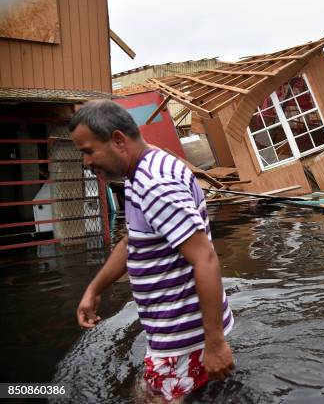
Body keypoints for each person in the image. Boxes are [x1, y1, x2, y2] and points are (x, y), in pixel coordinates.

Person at [71, 100, 234, 401]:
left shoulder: (154, 185)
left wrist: (215, 345)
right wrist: (95, 289)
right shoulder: (142, 170)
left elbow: (205, 258)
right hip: (176, 330)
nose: (86, 162)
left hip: (182, 338)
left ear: (118, 140)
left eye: (88, 151)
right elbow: (133, 240)